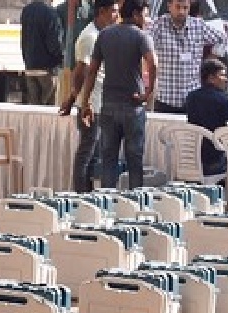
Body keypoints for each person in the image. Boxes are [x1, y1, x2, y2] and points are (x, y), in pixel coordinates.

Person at [79, 0, 158, 191]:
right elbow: (153, 63)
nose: (146, 20)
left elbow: (92, 70)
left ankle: (107, 202)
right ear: (137, 14)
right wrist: (147, 93)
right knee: (134, 161)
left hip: (108, 106)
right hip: (132, 106)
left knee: (108, 160)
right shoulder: (141, 36)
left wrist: (86, 101)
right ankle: (135, 205)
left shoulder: (105, 35)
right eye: (145, 15)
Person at [59, 0, 121, 193]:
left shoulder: (103, 35)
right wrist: (78, 101)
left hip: (99, 102)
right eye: (113, 12)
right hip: (91, 104)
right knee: (87, 153)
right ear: (102, 12)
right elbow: (81, 72)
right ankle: (81, 194)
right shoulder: (90, 37)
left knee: (94, 155)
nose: (116, 16)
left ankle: (88, 194)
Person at [148, 0, 227, 114]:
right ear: (169, 6)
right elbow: (143, 42)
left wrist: (210, 59)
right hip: (165, 99)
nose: (181, 12)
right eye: (178, 7)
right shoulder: (158, 25)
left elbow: (222, 38)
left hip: (192, 100)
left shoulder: (198, 25)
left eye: (185, 8)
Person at [20, 0, 64, 105]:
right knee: (48, 110)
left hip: (30, 67)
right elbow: (54, 43)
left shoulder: (26, 11)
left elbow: (24, 39)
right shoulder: (51, 13)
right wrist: (62, 57)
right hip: (47, 69)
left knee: (34, 109)